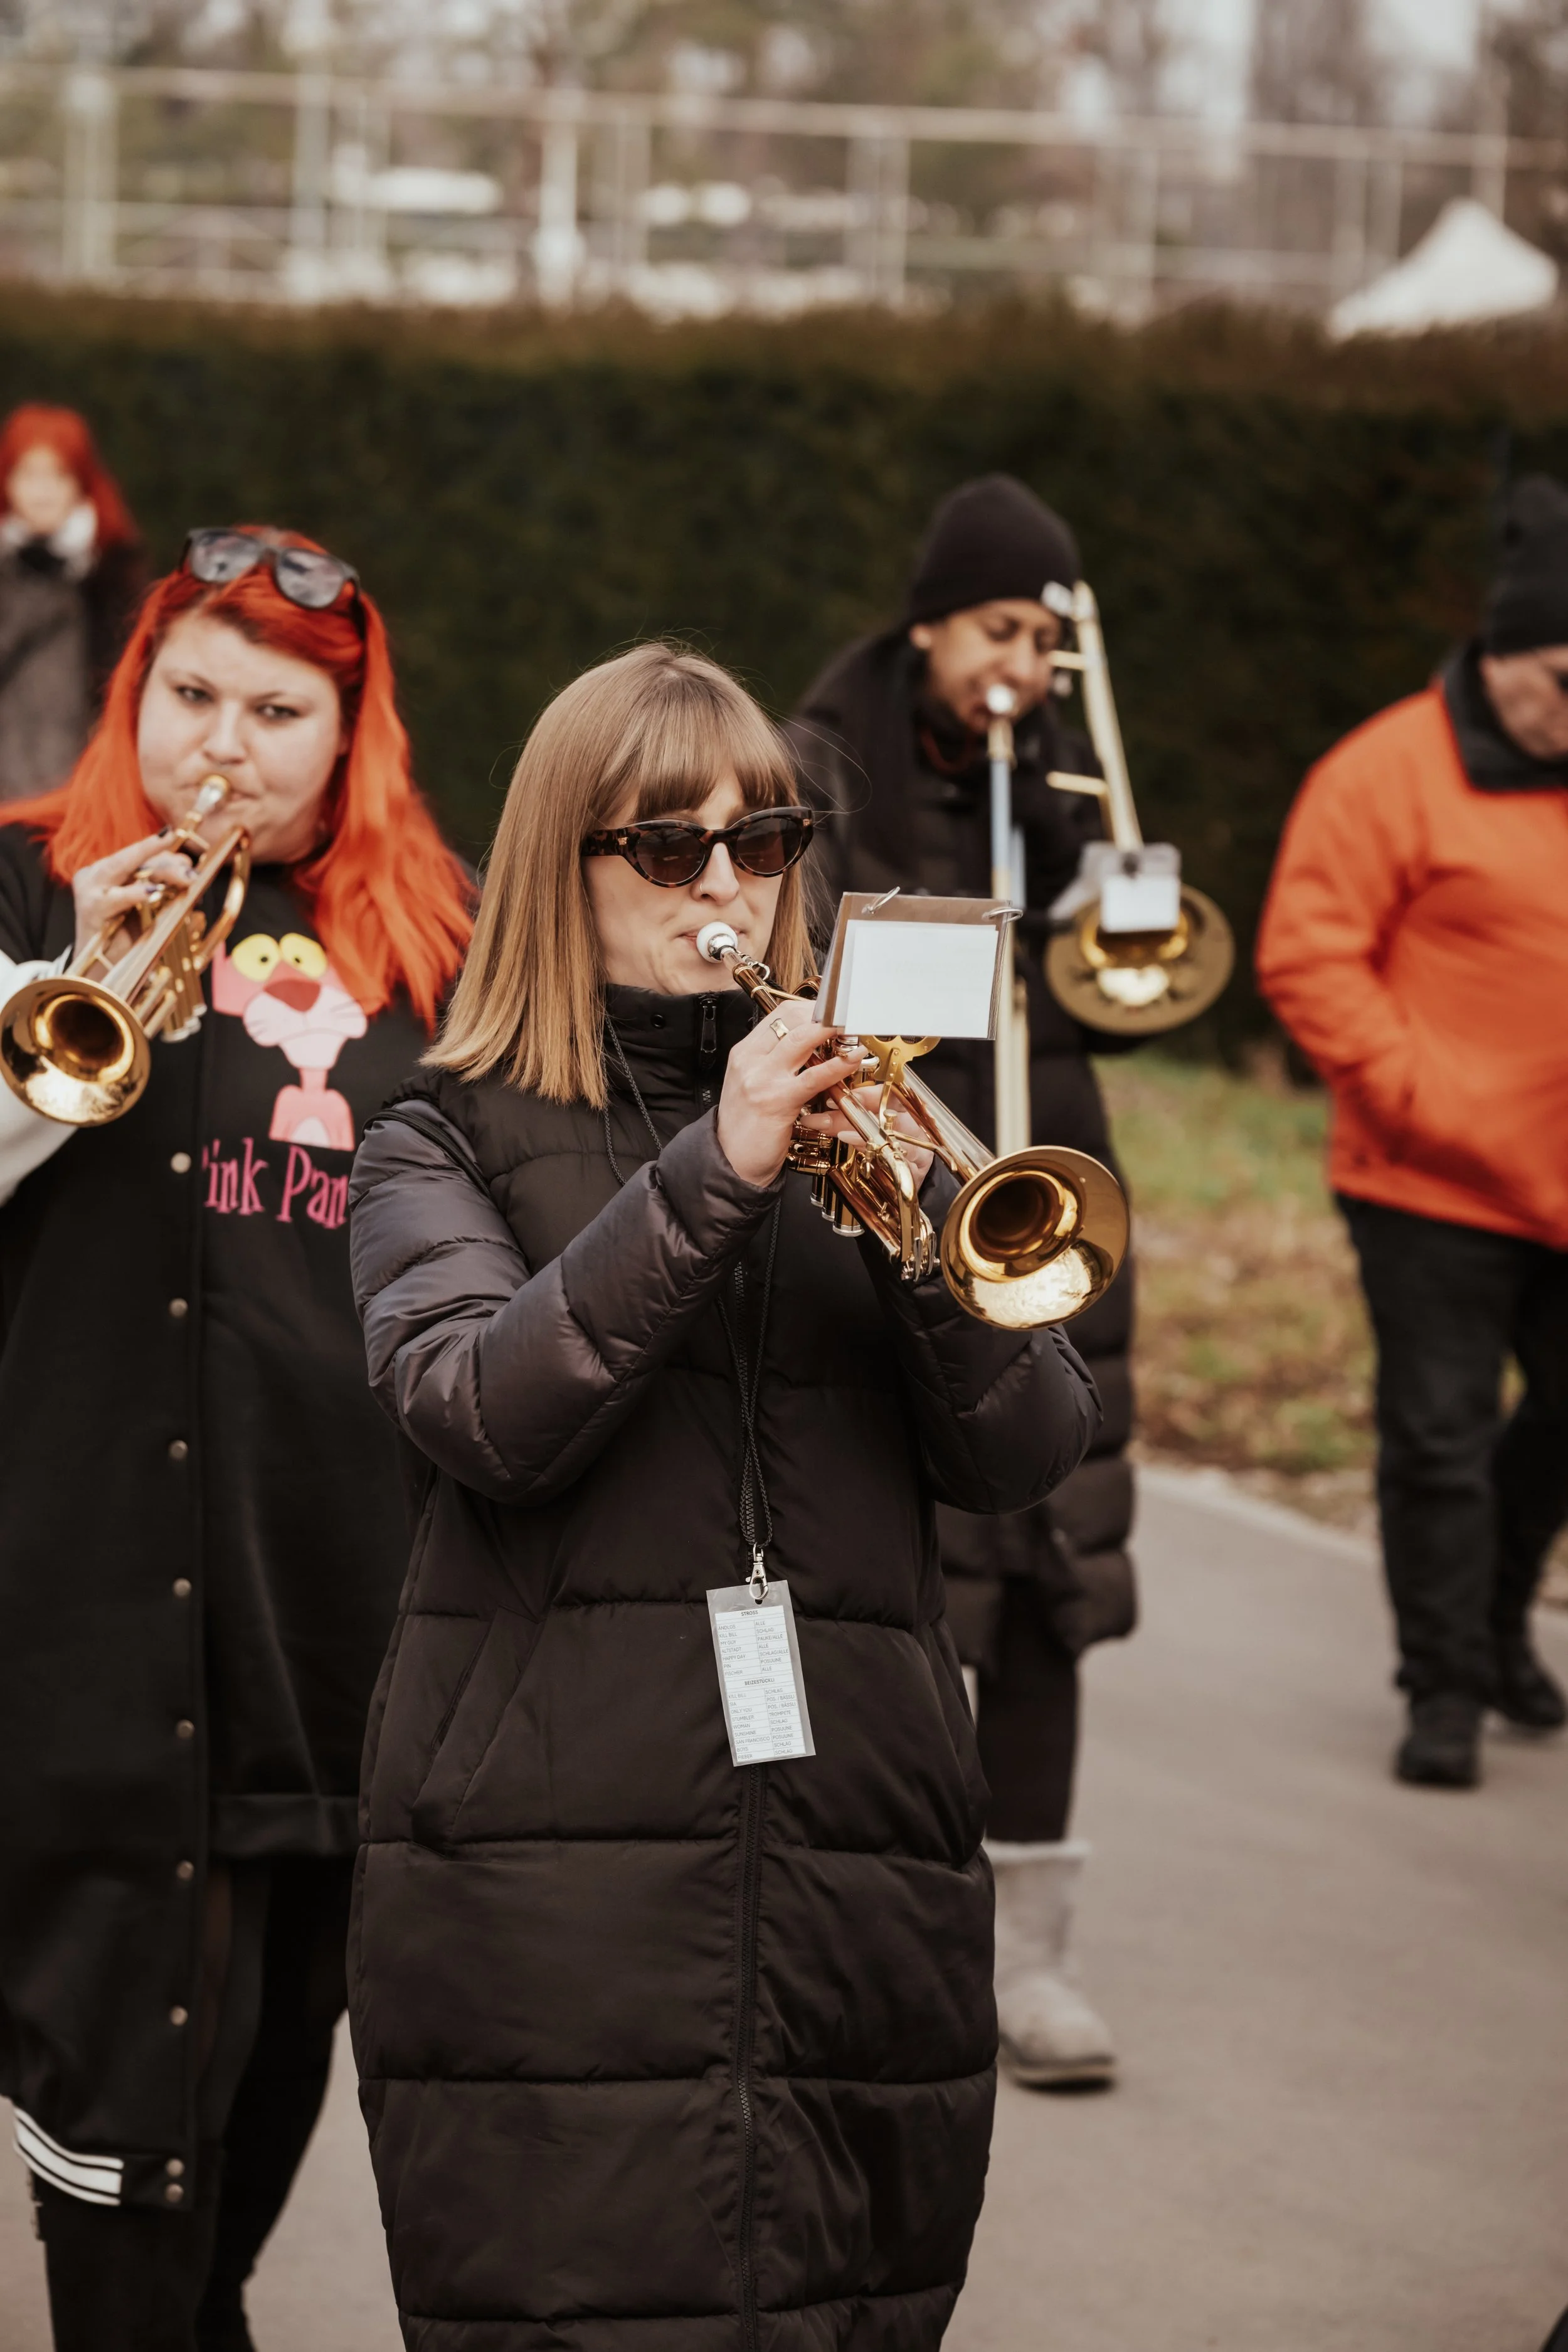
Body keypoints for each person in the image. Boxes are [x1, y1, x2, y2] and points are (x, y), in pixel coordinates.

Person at [346, 641, 1098, 2349]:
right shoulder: (436, 1136)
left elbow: (1027, 1446)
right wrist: (716, 1171)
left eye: (760, 840)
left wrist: (920, 1237)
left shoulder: (875, 1120)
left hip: (860, 1864)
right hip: (550, 1896)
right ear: (562, 865)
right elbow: (482, 1410)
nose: (724, 886)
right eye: (666, 845)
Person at [0, 526, 474, 2351]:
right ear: (135, 691)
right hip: (88, 1629)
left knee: (261, 2111)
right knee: (123, 2152)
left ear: (350, 738)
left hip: (333, 1620)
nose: (223, 744)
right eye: (190, 692)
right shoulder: (26, 882)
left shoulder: (433, 944)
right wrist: (80, 968)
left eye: (277, 712)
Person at [788, 475, 1136, 2087]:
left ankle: (1030, 1959)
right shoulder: (822, 758)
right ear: (932, 621)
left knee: (1053, 1557)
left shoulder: (1048, 778)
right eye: (998, 627)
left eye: (1040, 640)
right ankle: (860, 1928)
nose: (1020, 663)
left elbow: (1119, 991)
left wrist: (1091, 858)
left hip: (1045, 1182)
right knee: (879, 1567)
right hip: (883, 1187)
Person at [1257, 472, 1568, 1791]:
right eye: (1562, 680)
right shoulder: (1384, 770)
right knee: (1437, 1436)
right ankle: (1441, 1686)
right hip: (1427, 1180)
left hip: (1560, 1182)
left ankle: (1493, 1620)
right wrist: (1430, 1104)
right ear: (1502, 653)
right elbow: (1307, 955)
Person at [0, 403, 145, 798]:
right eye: (28, 475)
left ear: (81, 482)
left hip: (78, 780)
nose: (42, 493)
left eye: (58, 475)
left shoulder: (113, 573)